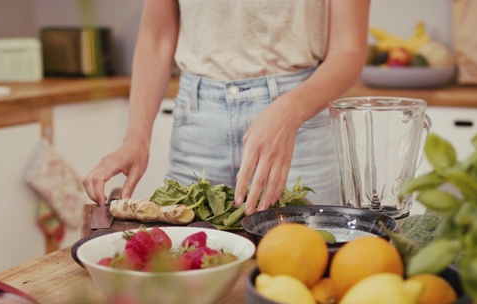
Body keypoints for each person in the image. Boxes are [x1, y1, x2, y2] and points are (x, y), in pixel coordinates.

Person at [83, 0, 370, 215]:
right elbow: (156, 37)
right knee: (186, 269)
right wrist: (136, 139)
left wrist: (289, 112)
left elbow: (349, 51)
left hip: (299, 126)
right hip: (197, 127)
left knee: (304, 265)